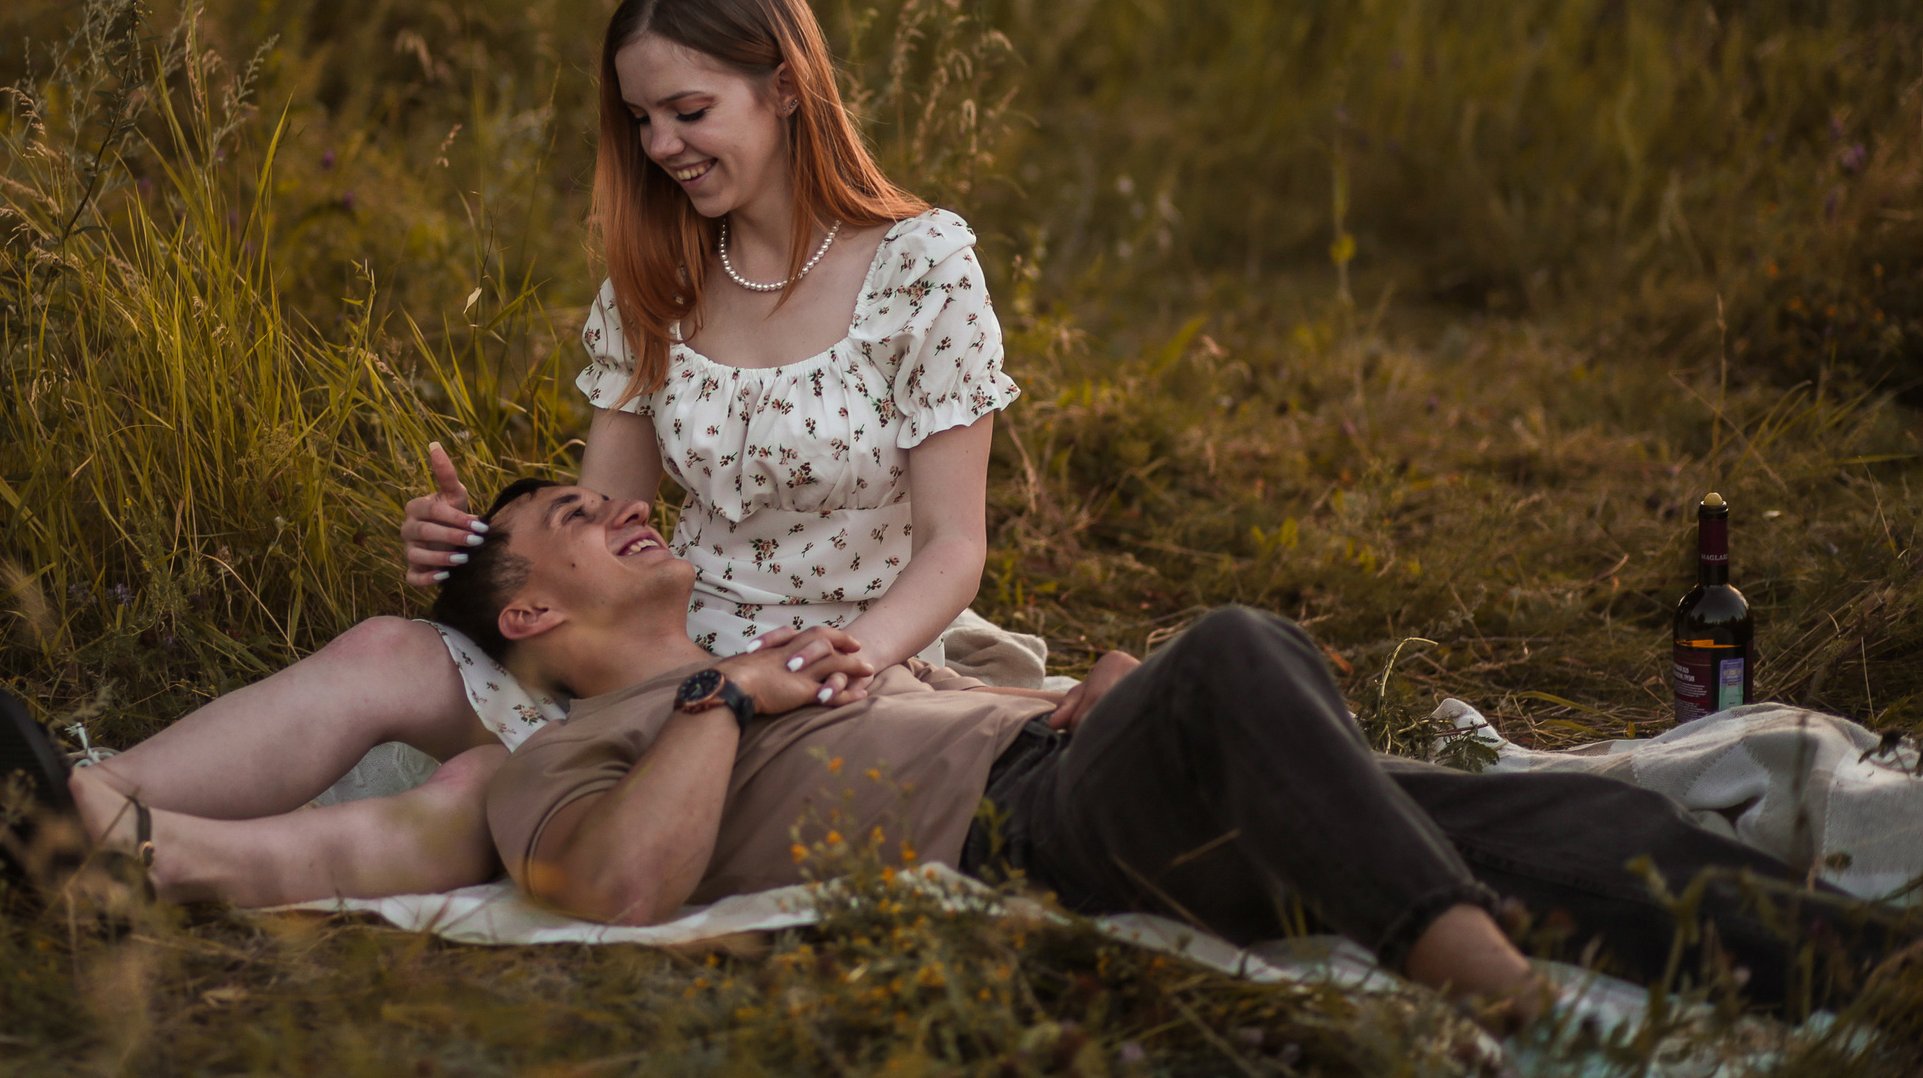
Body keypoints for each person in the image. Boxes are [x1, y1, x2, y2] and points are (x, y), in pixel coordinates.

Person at [0, 0, 1038, 906]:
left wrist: (850, 662)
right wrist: (479, 556)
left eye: (690, 111)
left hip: (835, 654)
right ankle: (74, 796)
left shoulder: (918, 268)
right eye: (640, 119)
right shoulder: (663, 278)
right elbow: (609, 516)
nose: (660, 148)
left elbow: (952, 545)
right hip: (650, 636)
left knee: (477, 789)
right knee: (386, 649)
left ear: (784, 88)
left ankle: (140, 866)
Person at [443, 479, 1913, 1025]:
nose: (623, 508)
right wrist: (730, 696)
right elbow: (623, 888)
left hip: (1080, 766)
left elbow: (972, 693)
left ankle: (1870, 977)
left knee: (1568, 830)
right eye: (577, 517)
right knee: (1234, 646)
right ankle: (1508, 1003)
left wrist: (1099, 694)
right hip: (1028, 835)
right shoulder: (562, 755)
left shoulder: (797, 646)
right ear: (528, 607)